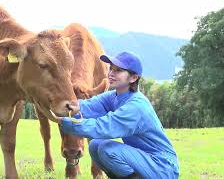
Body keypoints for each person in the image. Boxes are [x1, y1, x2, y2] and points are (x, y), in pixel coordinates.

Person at [49, 52, 179, 179]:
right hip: (142, 158)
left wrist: (67, 123)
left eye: (118, 70)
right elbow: (89, 105)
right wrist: (71, 107)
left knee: (107, 149)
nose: (111, 73)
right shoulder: (115, 96)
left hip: (162, 166)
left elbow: (103, 127)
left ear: (133, 78)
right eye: (111, 68)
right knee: (95, 145)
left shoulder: (136, 106)